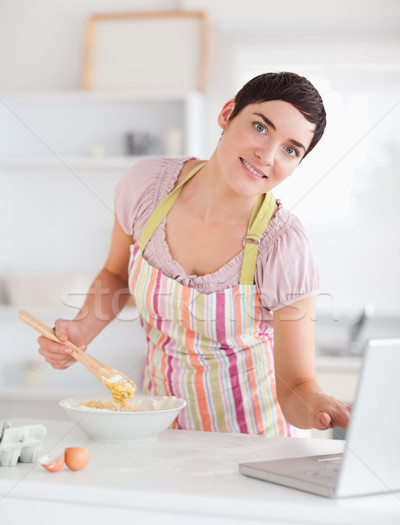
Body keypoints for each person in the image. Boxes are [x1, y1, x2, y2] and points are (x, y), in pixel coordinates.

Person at [38, 72, 351, 436]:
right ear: (227, 113)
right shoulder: (145, 188)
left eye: (290, 149)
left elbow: (296, 385)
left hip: (254, 441)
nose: (267, 156)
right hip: (161, 427)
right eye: (260, 127)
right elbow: (117, 276)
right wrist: (81, 329)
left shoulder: (283, 244)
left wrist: (317, 406)